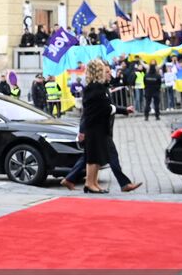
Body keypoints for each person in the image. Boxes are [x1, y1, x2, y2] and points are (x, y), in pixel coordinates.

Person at [60, 59, 141, 193]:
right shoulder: (95, 87)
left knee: (94, 156)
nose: (106, 72)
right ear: (98, 71)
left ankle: (90, 183)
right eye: (103, 69)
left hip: (98, 127)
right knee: (93, 157)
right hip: (94, 128)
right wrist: (119, 110)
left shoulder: (96, 86)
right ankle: (90, 183)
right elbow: (101, 108)